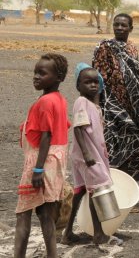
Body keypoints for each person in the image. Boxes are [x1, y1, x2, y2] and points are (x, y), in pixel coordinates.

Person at [92, 13, 139, 181]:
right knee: (112, 141)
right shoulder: (104, 47)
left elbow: (137, 75)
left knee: (135, 140)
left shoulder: (132, 48)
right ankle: (109, 181)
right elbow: (98, 78)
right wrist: (98, 106)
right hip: (111, 104)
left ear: (131, 28)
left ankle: (128, 180)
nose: (119, 28)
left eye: (123, 25)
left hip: (132, 105)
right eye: (116, 24)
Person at [14, 53, 70, 258]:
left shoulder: (46, 101)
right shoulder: (59, 100)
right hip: (54, 162)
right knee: (46, 214)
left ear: (59, 77)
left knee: (23, 214)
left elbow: (46, 136)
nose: (36, 76)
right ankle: (52, 255)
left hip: (40, 162)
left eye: (42, 73)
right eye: (35, 72)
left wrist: (38, 168)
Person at [62, 64, 119, 246]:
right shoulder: (81, 103)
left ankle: (67, 232)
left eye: (96, 82)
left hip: (87, 155)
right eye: (87, 82)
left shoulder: (93, 104)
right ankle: (99, 234)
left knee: (79, 192)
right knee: (97, 189)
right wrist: (87, 154)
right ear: (78, 86)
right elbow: (78, 128)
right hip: (87, 157)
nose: (93, 85)